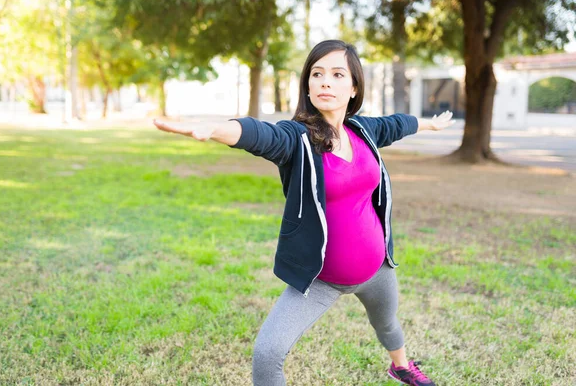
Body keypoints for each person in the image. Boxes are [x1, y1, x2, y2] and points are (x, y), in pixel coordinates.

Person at [154, 39, 454, 386]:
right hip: (321, 278)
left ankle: (401, 366)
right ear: (308, 86)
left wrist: (430, 125)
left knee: (387, 323)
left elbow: (395, 124)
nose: (325, 81)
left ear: (353, 87)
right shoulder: (297, 139)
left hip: (377, 267)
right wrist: (217, 128)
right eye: (317, 73)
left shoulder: (362, 131)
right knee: (267, 353)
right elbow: (261, 135)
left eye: (337, 74)